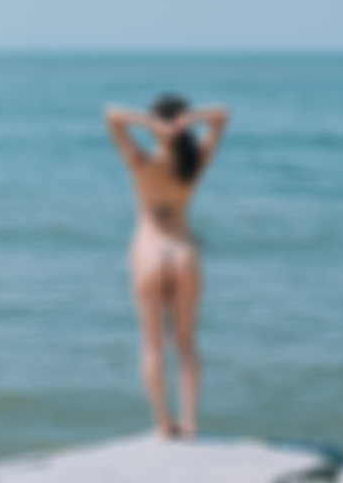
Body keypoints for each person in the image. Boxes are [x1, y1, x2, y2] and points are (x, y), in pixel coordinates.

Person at [104, 95, 228, 439]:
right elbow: (221, 115)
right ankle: (189, 421)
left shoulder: (141, 162)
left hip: (148, 253)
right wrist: (187, 121)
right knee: (186, 344)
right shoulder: (194, 163)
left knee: (152, 346)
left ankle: (163, 424)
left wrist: (155, 125)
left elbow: (112, 116)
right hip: (185, 252)